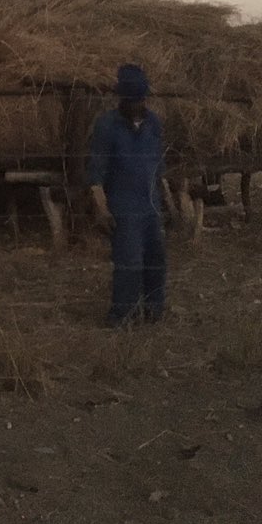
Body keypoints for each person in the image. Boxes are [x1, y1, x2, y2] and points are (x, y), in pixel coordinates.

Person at [87, 64, 167, 327]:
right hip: (124, 205)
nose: (137, 105)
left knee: (156, 260)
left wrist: (166, 202)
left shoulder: (154, 123)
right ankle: (122, 316)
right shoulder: (107, 126)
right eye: (132, 100)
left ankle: (154, 311)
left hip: (151, 204)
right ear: (122, 98)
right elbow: (96, 172)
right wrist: (101, 208)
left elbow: (158, 168)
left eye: (141, 99)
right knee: (129, 263)